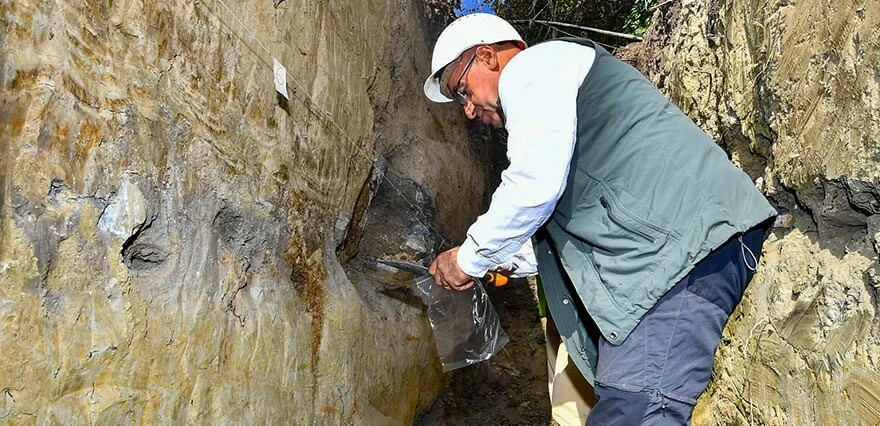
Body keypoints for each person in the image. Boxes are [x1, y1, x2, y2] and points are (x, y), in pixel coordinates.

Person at [424, 13, 777, 425]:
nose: (468, 110)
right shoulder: (559, 102)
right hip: (671, 260)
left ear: (487, 56)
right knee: (630, 404)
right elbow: (567, 217)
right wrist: (504, 261)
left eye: (463, 91)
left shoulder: (531, 68)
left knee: (636, 407)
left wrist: (468, 258)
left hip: (679, 260)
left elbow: (533, 186)